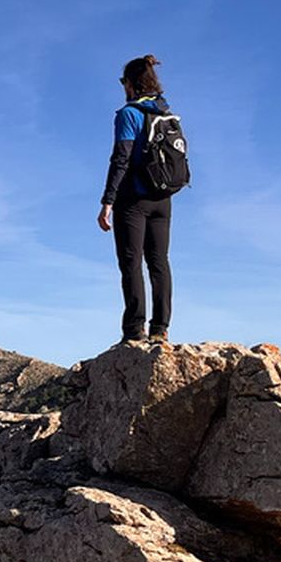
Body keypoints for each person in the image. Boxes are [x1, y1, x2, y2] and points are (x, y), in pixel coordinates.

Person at [97, 54, 174, 345]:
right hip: (163, 199)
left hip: (134, 201)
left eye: (123, 82)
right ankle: (161, 328)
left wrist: (108, 201)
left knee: (131, 263)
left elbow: (121, 158)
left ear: (130, 83)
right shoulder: (165, 113)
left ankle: (134, 330)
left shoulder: (129, 114)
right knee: (159, 262)